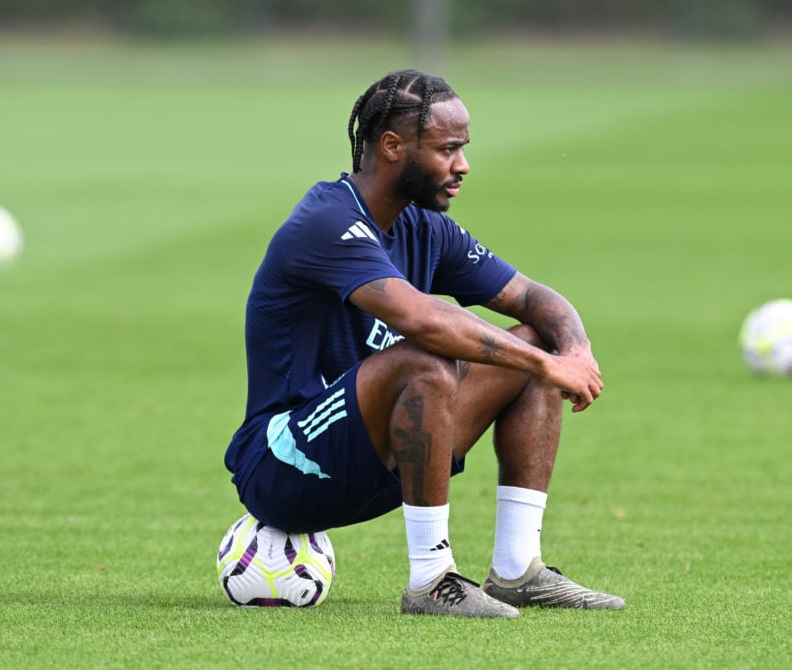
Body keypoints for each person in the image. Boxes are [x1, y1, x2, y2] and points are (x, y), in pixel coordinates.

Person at [224, 69, 625, 618]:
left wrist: (571, 348)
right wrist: (545, 362)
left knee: (533, 343)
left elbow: (533, 298)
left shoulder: (425, 227)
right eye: (448, 149)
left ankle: (517, 570)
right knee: (428, 358)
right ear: (392, 147)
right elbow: (422, 319)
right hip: (284, 465)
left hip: (376, 455)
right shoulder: (326, 222)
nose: (462, 166)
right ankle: (431, 580)